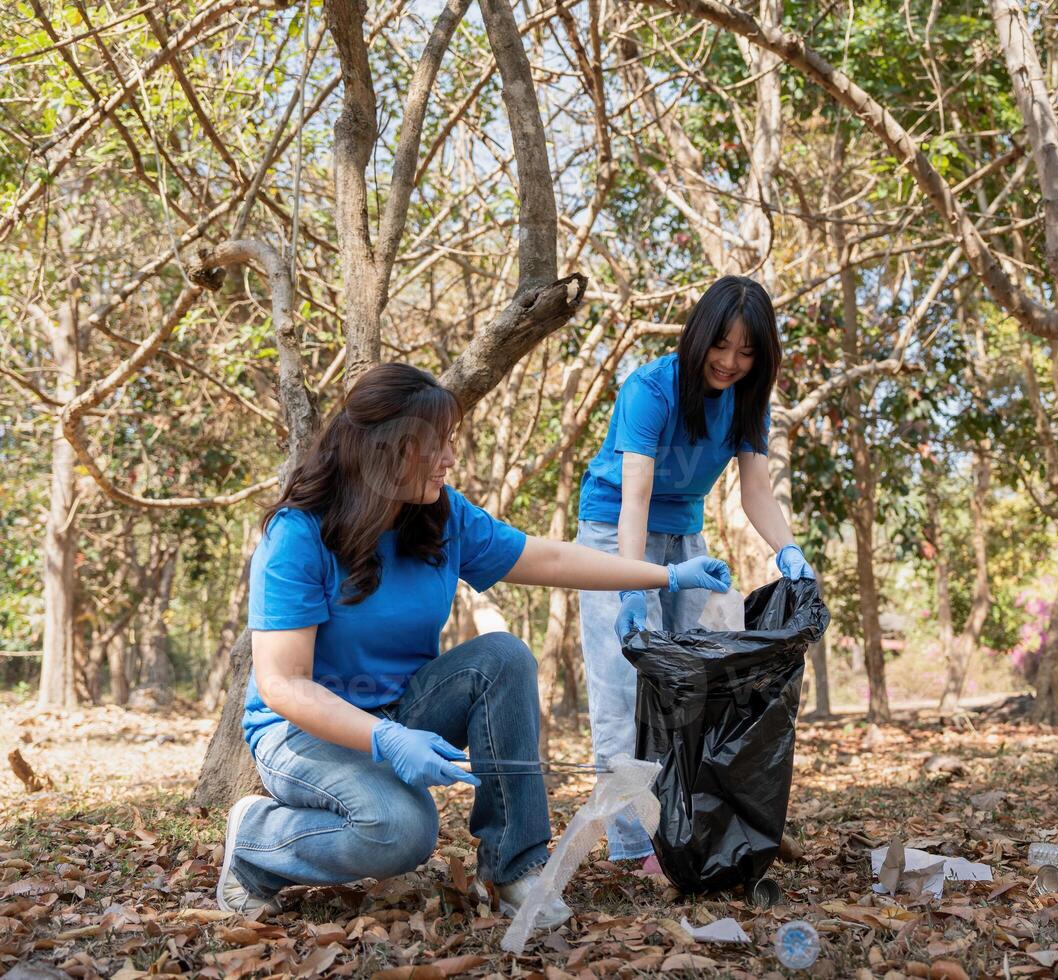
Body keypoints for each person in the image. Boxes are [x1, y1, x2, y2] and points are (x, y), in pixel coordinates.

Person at [216, 363, 731, 928]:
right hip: (302, 731)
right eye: (434, 446)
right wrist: (384, 738)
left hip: (401, 706)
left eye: (449, 444)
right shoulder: (298, 533)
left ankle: (515, 868)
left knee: (502, 656)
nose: (449, 459)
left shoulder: (439, 514)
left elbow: (547, 557)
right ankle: (255, 841)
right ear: (385, 448)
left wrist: (664, 576)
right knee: (401, 831)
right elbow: (284, 683)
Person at [576, 275, 816, 868]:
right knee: (624, 683)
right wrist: (631, 581)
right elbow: (635, 496)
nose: (731, 363)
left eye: (747, 351)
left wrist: (789, 550)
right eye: (722, 346)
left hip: (687, 535)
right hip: (615, 532)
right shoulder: (650, 388)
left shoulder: (747, 399)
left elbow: (755, 492)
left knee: (695, 685)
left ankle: (691, 830)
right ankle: (634, 848)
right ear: (699, 336)